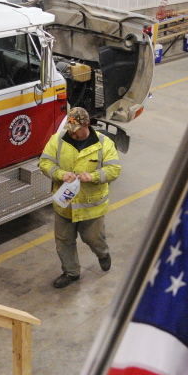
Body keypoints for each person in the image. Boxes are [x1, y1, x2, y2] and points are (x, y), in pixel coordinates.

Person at [39, 107, 121, 289]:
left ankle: (103, 253)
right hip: (64, 204)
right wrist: (60, 174)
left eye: (75, 131)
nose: (72, 134)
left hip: (91, 206)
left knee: (93, 238)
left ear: (87, 124)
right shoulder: (58, 140)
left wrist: (93, 176)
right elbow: (45, 163)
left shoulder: (103, 144)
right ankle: (71, 272)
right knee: (63, 241)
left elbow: (114, 170)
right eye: (70, 129)